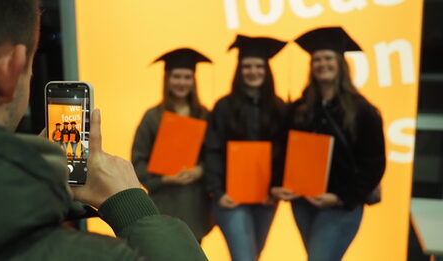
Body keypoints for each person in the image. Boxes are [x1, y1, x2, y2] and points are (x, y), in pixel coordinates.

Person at [0, 1, 207, 260]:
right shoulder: (91, 254)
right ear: (10, 68)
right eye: (30, 71)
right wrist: (132, 205)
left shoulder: (205, 114)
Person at [271, 27, 386, 261]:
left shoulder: (363, 111)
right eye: (317, 60)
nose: (322, 64)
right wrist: (279, 183)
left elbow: (374, 163)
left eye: (328, 58)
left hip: (341, 205)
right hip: (304, 202)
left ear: (341, 64)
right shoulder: (300, 109)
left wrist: (341, 196)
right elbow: (284, 150)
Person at [204, 35, 287, 261]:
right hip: (230, 198)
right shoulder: (223, 106)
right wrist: (218, 192)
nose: (253, 71)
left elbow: (284, 154)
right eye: (247, 66)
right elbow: (212, 150)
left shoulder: (279, 107)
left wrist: (275, 188)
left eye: (259, 66)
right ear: (239, 70)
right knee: (243, 257)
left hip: (265, 199)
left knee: (253, 255)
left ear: (266, 70)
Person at [132, 48, 214, 242]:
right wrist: (165, 179)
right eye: (176, 77)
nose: (182, 82)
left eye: (187, 77)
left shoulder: (204, 115)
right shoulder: (152, 117)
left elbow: (214, 156)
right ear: (167, 79)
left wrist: (201, 170)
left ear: (194, 81)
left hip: (195, 201)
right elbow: (137, 160)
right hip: (164, 201)